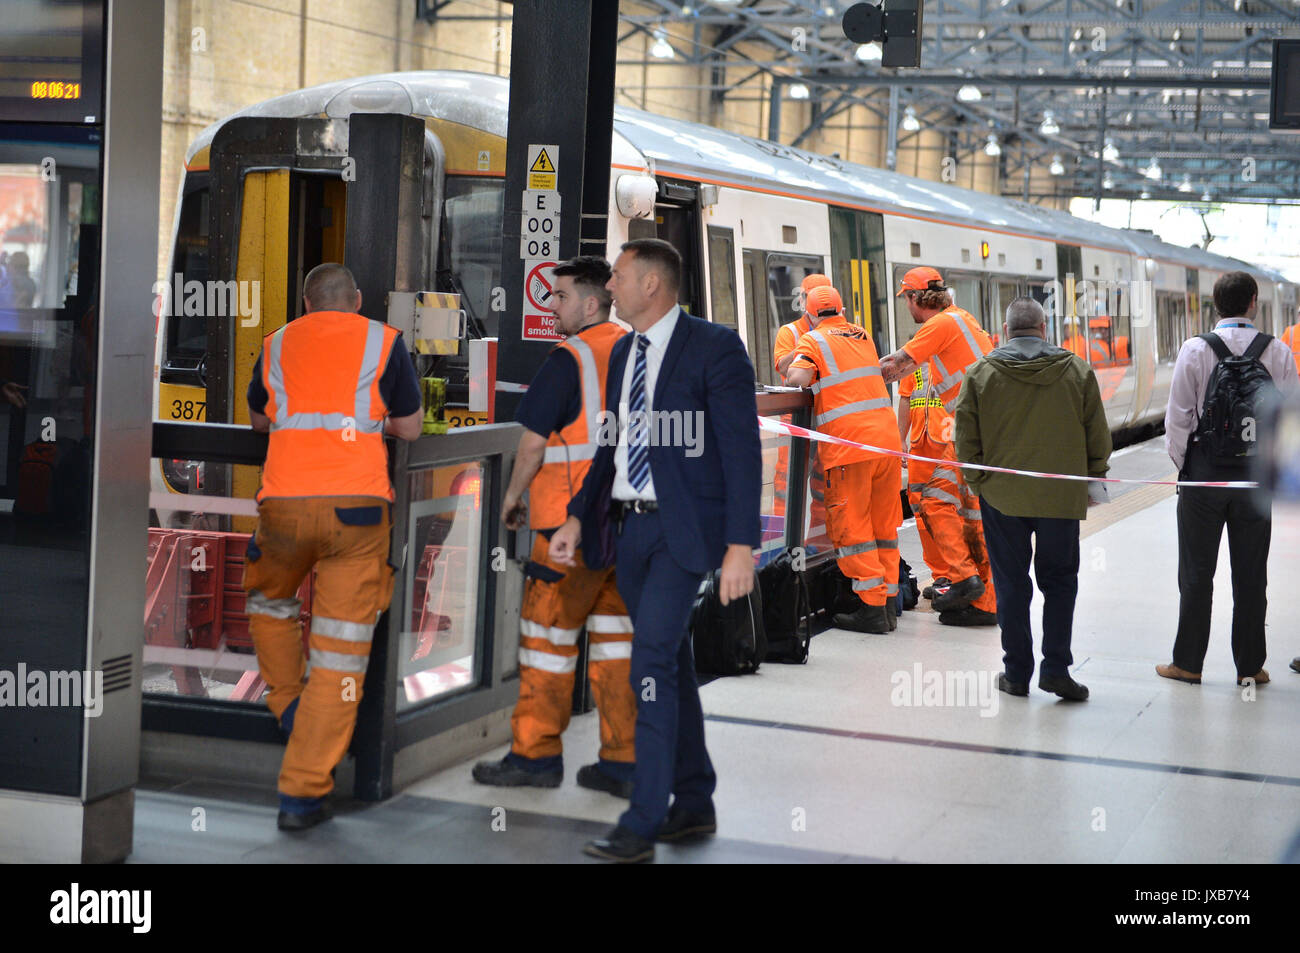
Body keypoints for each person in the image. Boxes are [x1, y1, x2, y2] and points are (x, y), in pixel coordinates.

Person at [549, 238, 761, 863]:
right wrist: (577, 520)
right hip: (632, 532)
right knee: (671, 668)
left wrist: (740, 546)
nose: (608, 286)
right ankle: (694, 801)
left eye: (617, 276)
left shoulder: (714, 347)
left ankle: (641, 822)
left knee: (648, 667)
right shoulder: (625, 354)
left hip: (682, 535)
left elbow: (741, 451)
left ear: (651, 286)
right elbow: (611, 449)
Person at [244, 263, 423, 831]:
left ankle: (289, 703)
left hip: (284, 510)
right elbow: (412, 428)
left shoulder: (277, 343)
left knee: (269, 604)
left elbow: (258, 418)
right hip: (358, 514)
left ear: (304, 302)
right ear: (357, 299)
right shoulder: (383, 341)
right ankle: (302, 794)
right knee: (340, 653)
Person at [471, 256, 637, 797]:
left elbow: (534, 441)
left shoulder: (570, 359)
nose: (552, 305)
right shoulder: (639, 350)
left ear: (591, 303)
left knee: (546, 641)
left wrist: (513, 497)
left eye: (561, 296)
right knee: (617, 646)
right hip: (627, 527)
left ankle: (535, 755)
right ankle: (623, 760)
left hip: (566, 527)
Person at [953, 297, 1112, 701]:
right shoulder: (1075, 370)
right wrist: (1094, 481)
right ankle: (1056, 670)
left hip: (1002, 498)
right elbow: (1097, 434)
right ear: (1044, 329)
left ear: (1005, 330)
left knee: (1011, 583)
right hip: (1060, 497)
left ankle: (1016, 673)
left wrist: (979, 481)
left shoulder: (980, 373)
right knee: (1059, 583)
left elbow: (965, 438)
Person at [1157, 271, 1299, 688]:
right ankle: (1250, 668)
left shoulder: (1195, 349)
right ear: (1253, 302)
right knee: (1251, 575)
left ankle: (1188, 664)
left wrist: (1187, 468)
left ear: (1214, 304)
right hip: (1255, 480)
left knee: (1196, 574)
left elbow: (1178, 418)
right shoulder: (1278, 351)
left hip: (1204, 477)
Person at [879, 267, 997, 621]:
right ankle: (983, 599)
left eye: (907, 301)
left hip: (973, 429)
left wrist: (848, 374)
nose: (908, 309)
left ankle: (965, 581)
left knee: (940, 502)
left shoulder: (939, 325)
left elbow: (896, 368)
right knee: (970, 512)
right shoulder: (963, 319)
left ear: (916, 299)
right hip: (978, 427)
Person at [785, 285, 902, 633]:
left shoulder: (812, 340)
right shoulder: (863, 335)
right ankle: (889, 601)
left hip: (849, 446)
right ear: (842, 309)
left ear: (809, 314)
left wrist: (800, 369)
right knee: (884, 525)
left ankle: (871, 607)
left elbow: (798, 377)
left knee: (852, 527)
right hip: (885, 441)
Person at [773, 273, 833, 381]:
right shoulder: (789, 331)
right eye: (812, 298)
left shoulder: (841, 330)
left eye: (822, 299)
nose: (817, 304)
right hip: (801, 397)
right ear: (801, 301)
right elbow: (783, 368)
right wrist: (808, 345)